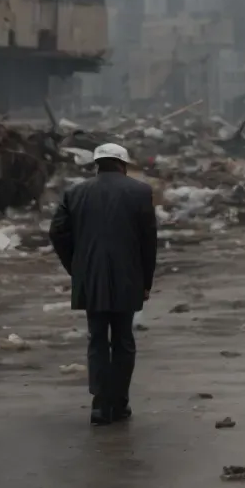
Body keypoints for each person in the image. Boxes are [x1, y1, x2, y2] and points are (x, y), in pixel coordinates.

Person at [48, 142, 158, 425]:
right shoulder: (140, 192)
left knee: (97, 339)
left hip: (91, 276)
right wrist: (147, 280)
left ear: (96, 165)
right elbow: (149, 242)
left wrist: (76, 265)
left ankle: (99, 404)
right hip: (128, 276)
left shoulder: (75, 193)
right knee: (123, 339)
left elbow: (57, 232)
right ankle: (119, 402)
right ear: (122, 165)